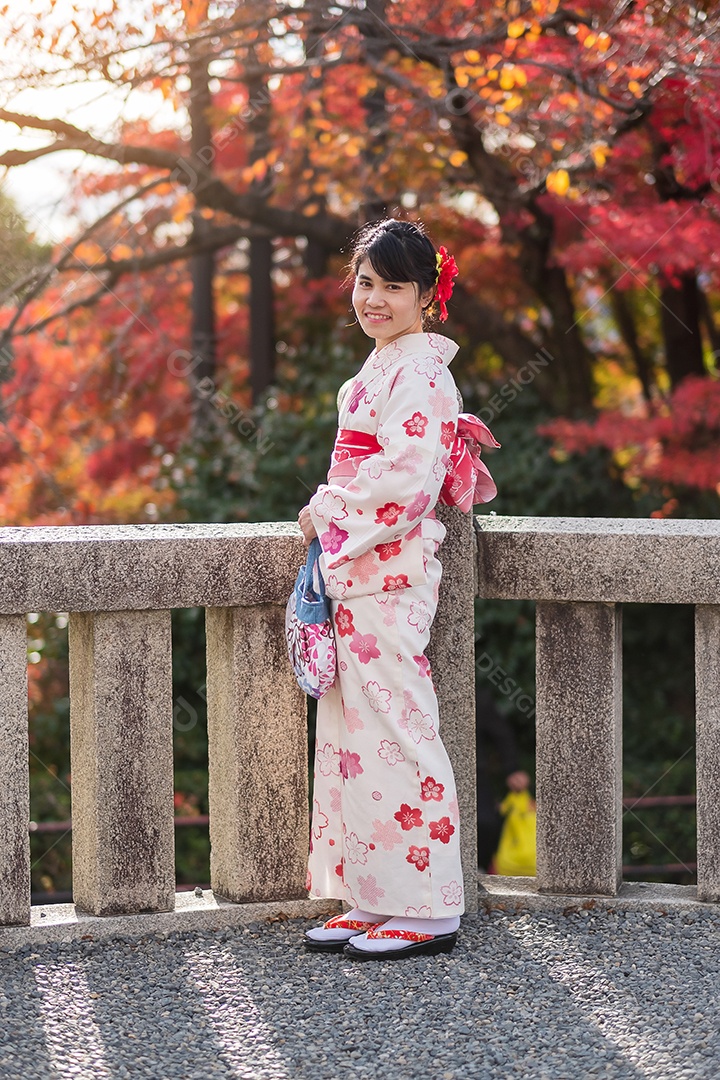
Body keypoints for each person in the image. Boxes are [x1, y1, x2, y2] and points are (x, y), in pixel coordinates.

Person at [297, 218, 498, 960]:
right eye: (365, 282)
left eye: (392, 286)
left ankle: (429, 906)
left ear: (427, 296)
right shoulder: (380, 368)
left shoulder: (420, 374)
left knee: (400, 729)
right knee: (354, 738)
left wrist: (326, 511)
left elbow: (410, 483)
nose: (373, 298)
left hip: (391, 573)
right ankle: (371, 894)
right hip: (360, 572)